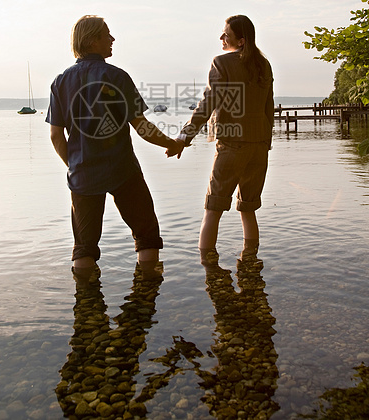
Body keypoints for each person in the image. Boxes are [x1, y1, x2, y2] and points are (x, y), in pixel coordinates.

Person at [46, 15, 183, 274]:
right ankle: (146, 298)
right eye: (107, 34)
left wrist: (75, 165)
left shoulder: (61, 82)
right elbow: (142, 127)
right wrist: (172, 144)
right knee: (147, 237)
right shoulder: (117, 77)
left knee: (84, 248)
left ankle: (86, 305)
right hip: (124, 171)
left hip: (83, 175)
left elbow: (56, 136)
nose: (112, 39)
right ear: (92, 40)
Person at [168, 15, 274, 257]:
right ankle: (250, 260)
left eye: (226, 34)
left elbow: (207, 104)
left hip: (233, 145)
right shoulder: (264, 65)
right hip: (259, 145)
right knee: (248, 208)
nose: (221, 37)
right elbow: (269, 107)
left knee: (213, 208)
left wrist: (184, 138)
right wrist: (265, 142)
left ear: (242, 39)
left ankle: (207, 266)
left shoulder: (221, 63)